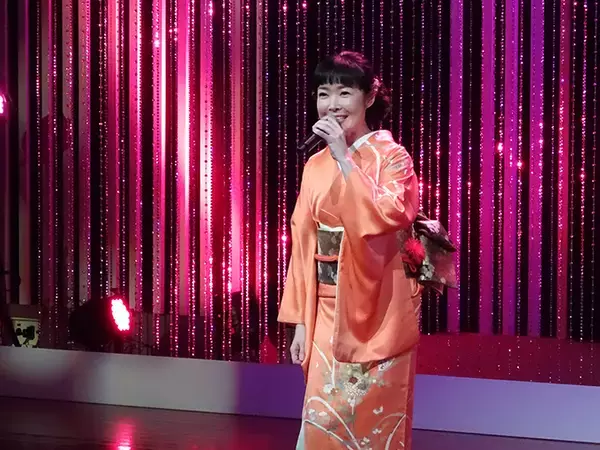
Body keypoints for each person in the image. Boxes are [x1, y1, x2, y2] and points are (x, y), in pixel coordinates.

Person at [278, 51, 424, 450]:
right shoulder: (315, 164)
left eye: (345, 92)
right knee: (322, 418)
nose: (333, 104)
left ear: (369, 97)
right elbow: (303, 241)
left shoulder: (392, 157)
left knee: (374, 422)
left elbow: (391, 213)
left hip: (375, 309)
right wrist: (300, 322)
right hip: (325, 310)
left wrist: (345, 157)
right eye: (324, 93)